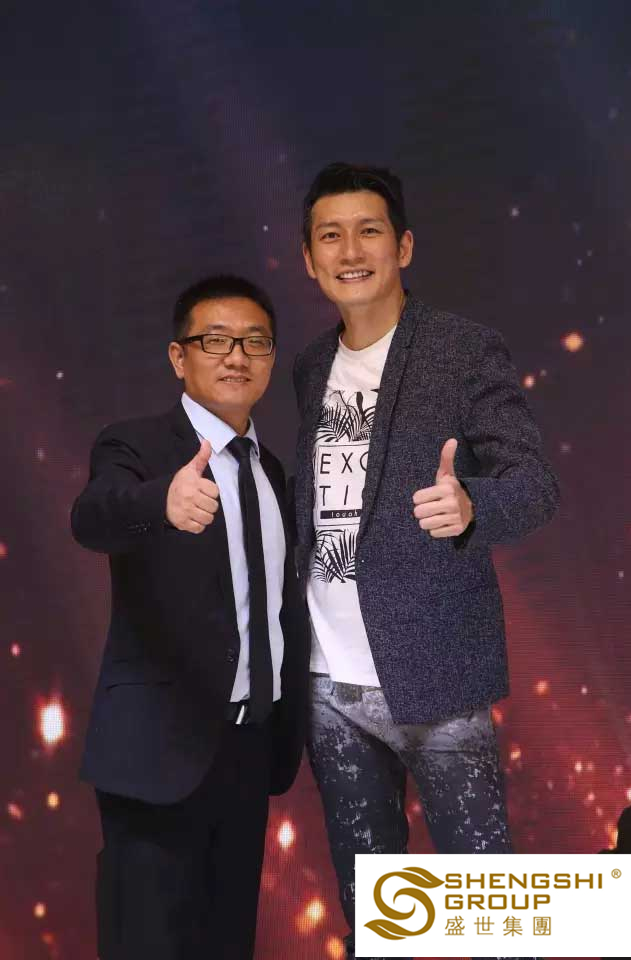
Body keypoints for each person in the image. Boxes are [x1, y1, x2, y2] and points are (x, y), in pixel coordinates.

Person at [293, 162, 559, 960]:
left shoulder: (462, 348)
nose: (350, 251)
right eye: (330, 236)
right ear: (309, 258)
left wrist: (473, 505)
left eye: (368, 231)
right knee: (377, 925)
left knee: (489, 921)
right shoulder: (308, 367)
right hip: (329, 687)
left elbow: (535, 485)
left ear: (403, 246)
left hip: (437, 680)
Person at [71, 274, 309, 960]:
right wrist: (160, 503)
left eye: (255, 342)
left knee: (228, 941)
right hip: (157, 753)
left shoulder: (272, 472)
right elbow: (93, 517)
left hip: (248, 750)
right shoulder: (135, 446)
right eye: (215, 341)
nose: (236, 356)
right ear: (179, 357)